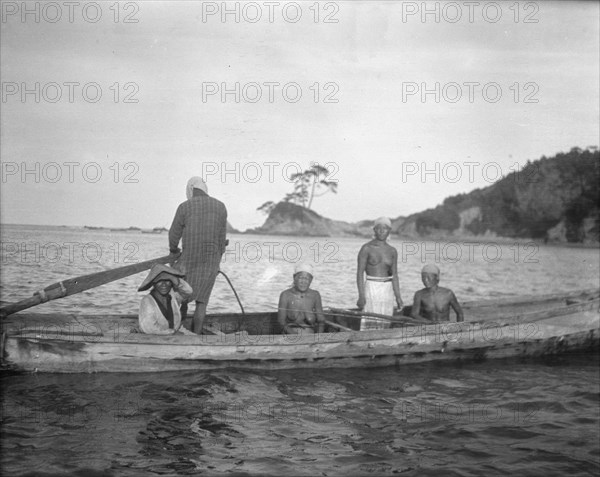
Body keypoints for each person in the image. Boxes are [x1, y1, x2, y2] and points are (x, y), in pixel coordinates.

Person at [169, 176, 228, 334]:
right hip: (210, 263)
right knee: (202, 302)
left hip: (187, 261)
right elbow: (221, 242)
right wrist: (216, 262)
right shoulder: (221, 207)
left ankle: (175, 331)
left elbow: (174, 235)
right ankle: (196, 335)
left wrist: (173, 251)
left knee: (181, 297)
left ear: (190, 190)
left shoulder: (184, 207)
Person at [356, 216, 403, 330]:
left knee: (385, 318)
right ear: (374, 230)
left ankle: (381, 344)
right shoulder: (366, 248)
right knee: (370, 318)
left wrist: (398, 297)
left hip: (387, 289)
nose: (382, 231)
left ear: (389, 231)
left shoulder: (392, 251)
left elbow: (395, 275)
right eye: (379, 228)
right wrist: (361, 296)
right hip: (371, 287)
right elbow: (359, 273)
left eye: (385, 228)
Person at [138, 264, 196, 335]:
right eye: (159, 281)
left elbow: (189, 291)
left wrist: (175, 279)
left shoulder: (173, 295)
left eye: (167, 281)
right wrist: (173, 332)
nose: (164, 284)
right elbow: (149, 329)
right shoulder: (147, 301)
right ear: (154, 283)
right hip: (156, 338)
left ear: (171, 282)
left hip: (176, 333)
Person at [278, 263, 325, 335]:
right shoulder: (285, 295)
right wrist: (296, 337)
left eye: (306, 279)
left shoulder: (315, 295)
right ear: (294, 277)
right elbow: (281, 322)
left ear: (311, 280)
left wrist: (318, 337)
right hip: (290, 338)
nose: (303, 282)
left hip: (311, 338)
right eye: (300, 278)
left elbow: (321, 321)